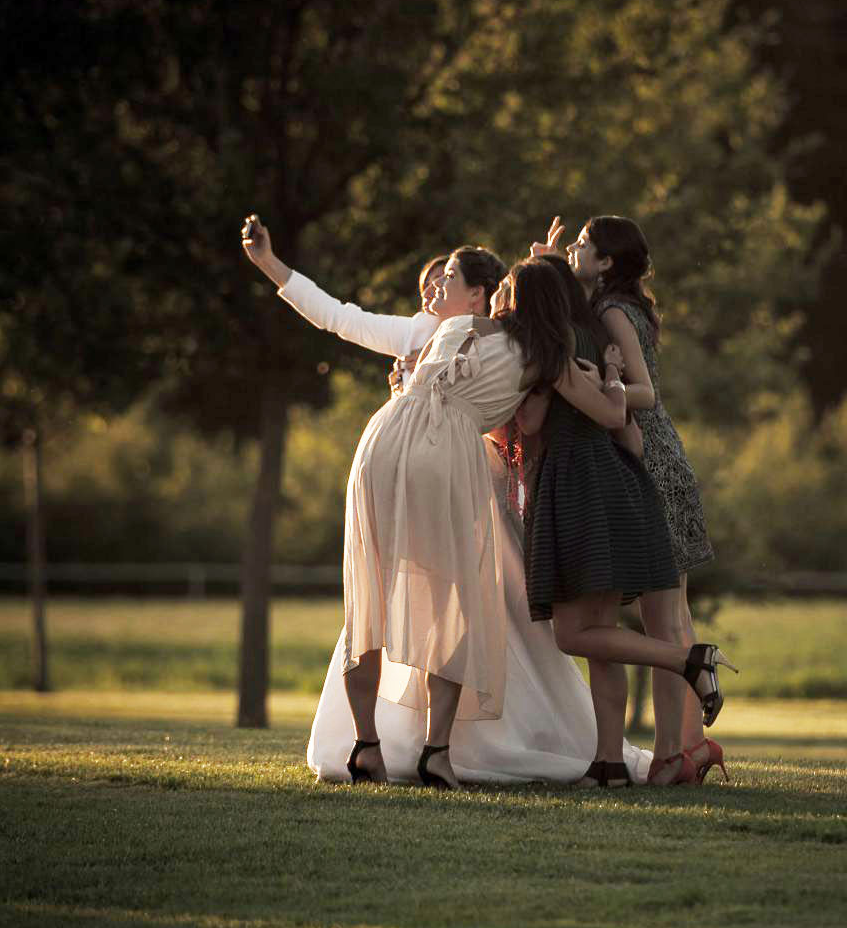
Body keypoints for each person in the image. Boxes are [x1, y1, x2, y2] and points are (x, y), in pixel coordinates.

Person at [241, 216, 646, 787]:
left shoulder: (450, 330)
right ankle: (436, 751)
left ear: (491, 294)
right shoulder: (544, 357)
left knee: (369, 592)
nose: (434, 289)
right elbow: (605, 414)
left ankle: (366, 746)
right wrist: (607, 371)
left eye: (449, 277)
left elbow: (357, 330)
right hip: (445, 452)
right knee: (453, 601)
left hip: (385, 436)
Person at [514, 254, 736, 789]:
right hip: (611, 481)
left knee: (573, 635)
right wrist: (612, 373)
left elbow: (554, 420)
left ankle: (688, 658)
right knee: (599, 638)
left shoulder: (556, 354)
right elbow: (623, 421)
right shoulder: (590, 340)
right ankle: (608, 764)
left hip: (578, 487)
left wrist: (530, 388)